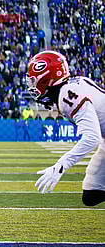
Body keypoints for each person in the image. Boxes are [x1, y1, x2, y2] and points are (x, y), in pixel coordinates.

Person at [27, 50, 105, 206]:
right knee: (92, 193)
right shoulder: (71, 87)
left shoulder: (67, 95)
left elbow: (92, 138)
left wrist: (60, 166)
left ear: (46, 79)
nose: (32, 85)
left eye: (34, 80)